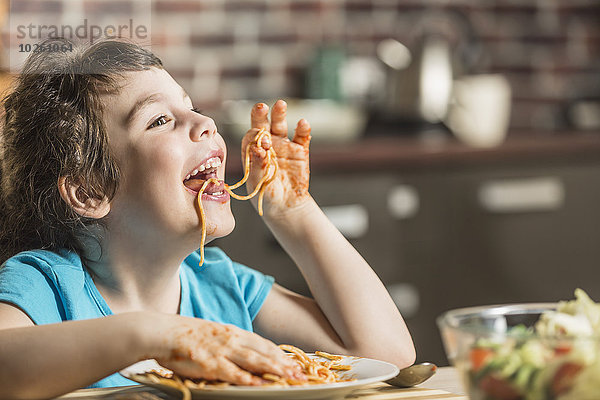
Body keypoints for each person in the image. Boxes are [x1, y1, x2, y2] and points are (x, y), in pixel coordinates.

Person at [0, 39, 415, 399]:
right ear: (89, 191)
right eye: (160, 120)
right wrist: (156, 335)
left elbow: (385, 354)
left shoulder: (220, 284)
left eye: (192, 107)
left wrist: (292, 209)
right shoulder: (46, 284)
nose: (206, 123)